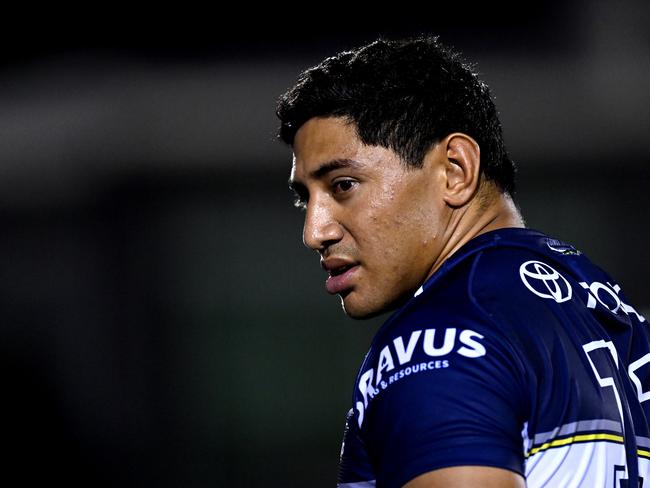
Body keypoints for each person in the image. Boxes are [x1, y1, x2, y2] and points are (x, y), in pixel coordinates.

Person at [275, 35, 649, 488]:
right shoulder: (604, 308)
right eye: (305, 200)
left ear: (455, 169)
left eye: (343, 185)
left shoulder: (439, 339)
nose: (315, 231)